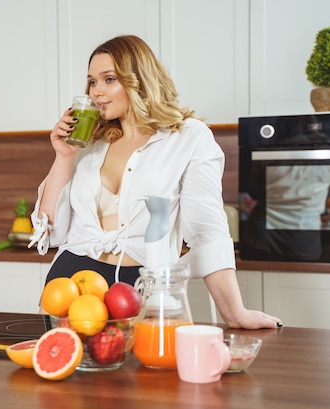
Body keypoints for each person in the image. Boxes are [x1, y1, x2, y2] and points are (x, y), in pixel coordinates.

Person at [29, 35, 282, 329]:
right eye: (92, 82)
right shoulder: (89, 142)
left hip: (140, 288)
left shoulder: (189, 137)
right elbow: (51, 232)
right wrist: (64, 156)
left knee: (141, 373)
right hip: (70, 283)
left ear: (139, 80)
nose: (96, 92)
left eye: (108, 79)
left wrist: (234, 313)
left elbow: (207, 231)